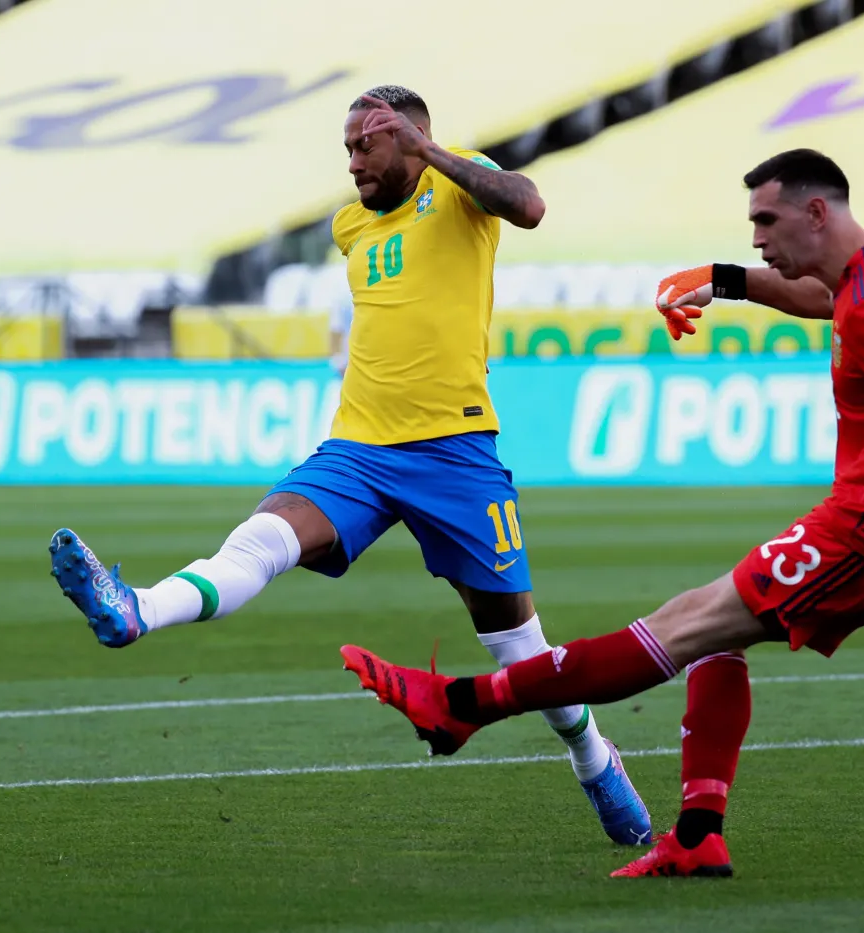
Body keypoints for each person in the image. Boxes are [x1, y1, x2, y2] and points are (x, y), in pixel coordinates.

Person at [340, 149, 864, 878]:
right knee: (717, 629)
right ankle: (697, 833)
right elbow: (828, 300)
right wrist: (721, 282)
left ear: (817, 212)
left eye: (765, 219)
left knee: (681, 627)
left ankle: (464, 704)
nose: (755, 237)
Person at [48, 85, 652, 846]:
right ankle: (137, 609)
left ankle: (596, 761)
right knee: (261, 541)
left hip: (455, 452)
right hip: (358, 447)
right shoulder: (349, 224)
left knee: (518, 648)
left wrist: (432, 151)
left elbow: (529, 207)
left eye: (365, 146)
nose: (353, 164)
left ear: (406, 138)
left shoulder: (460, 182)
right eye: (347, 150)